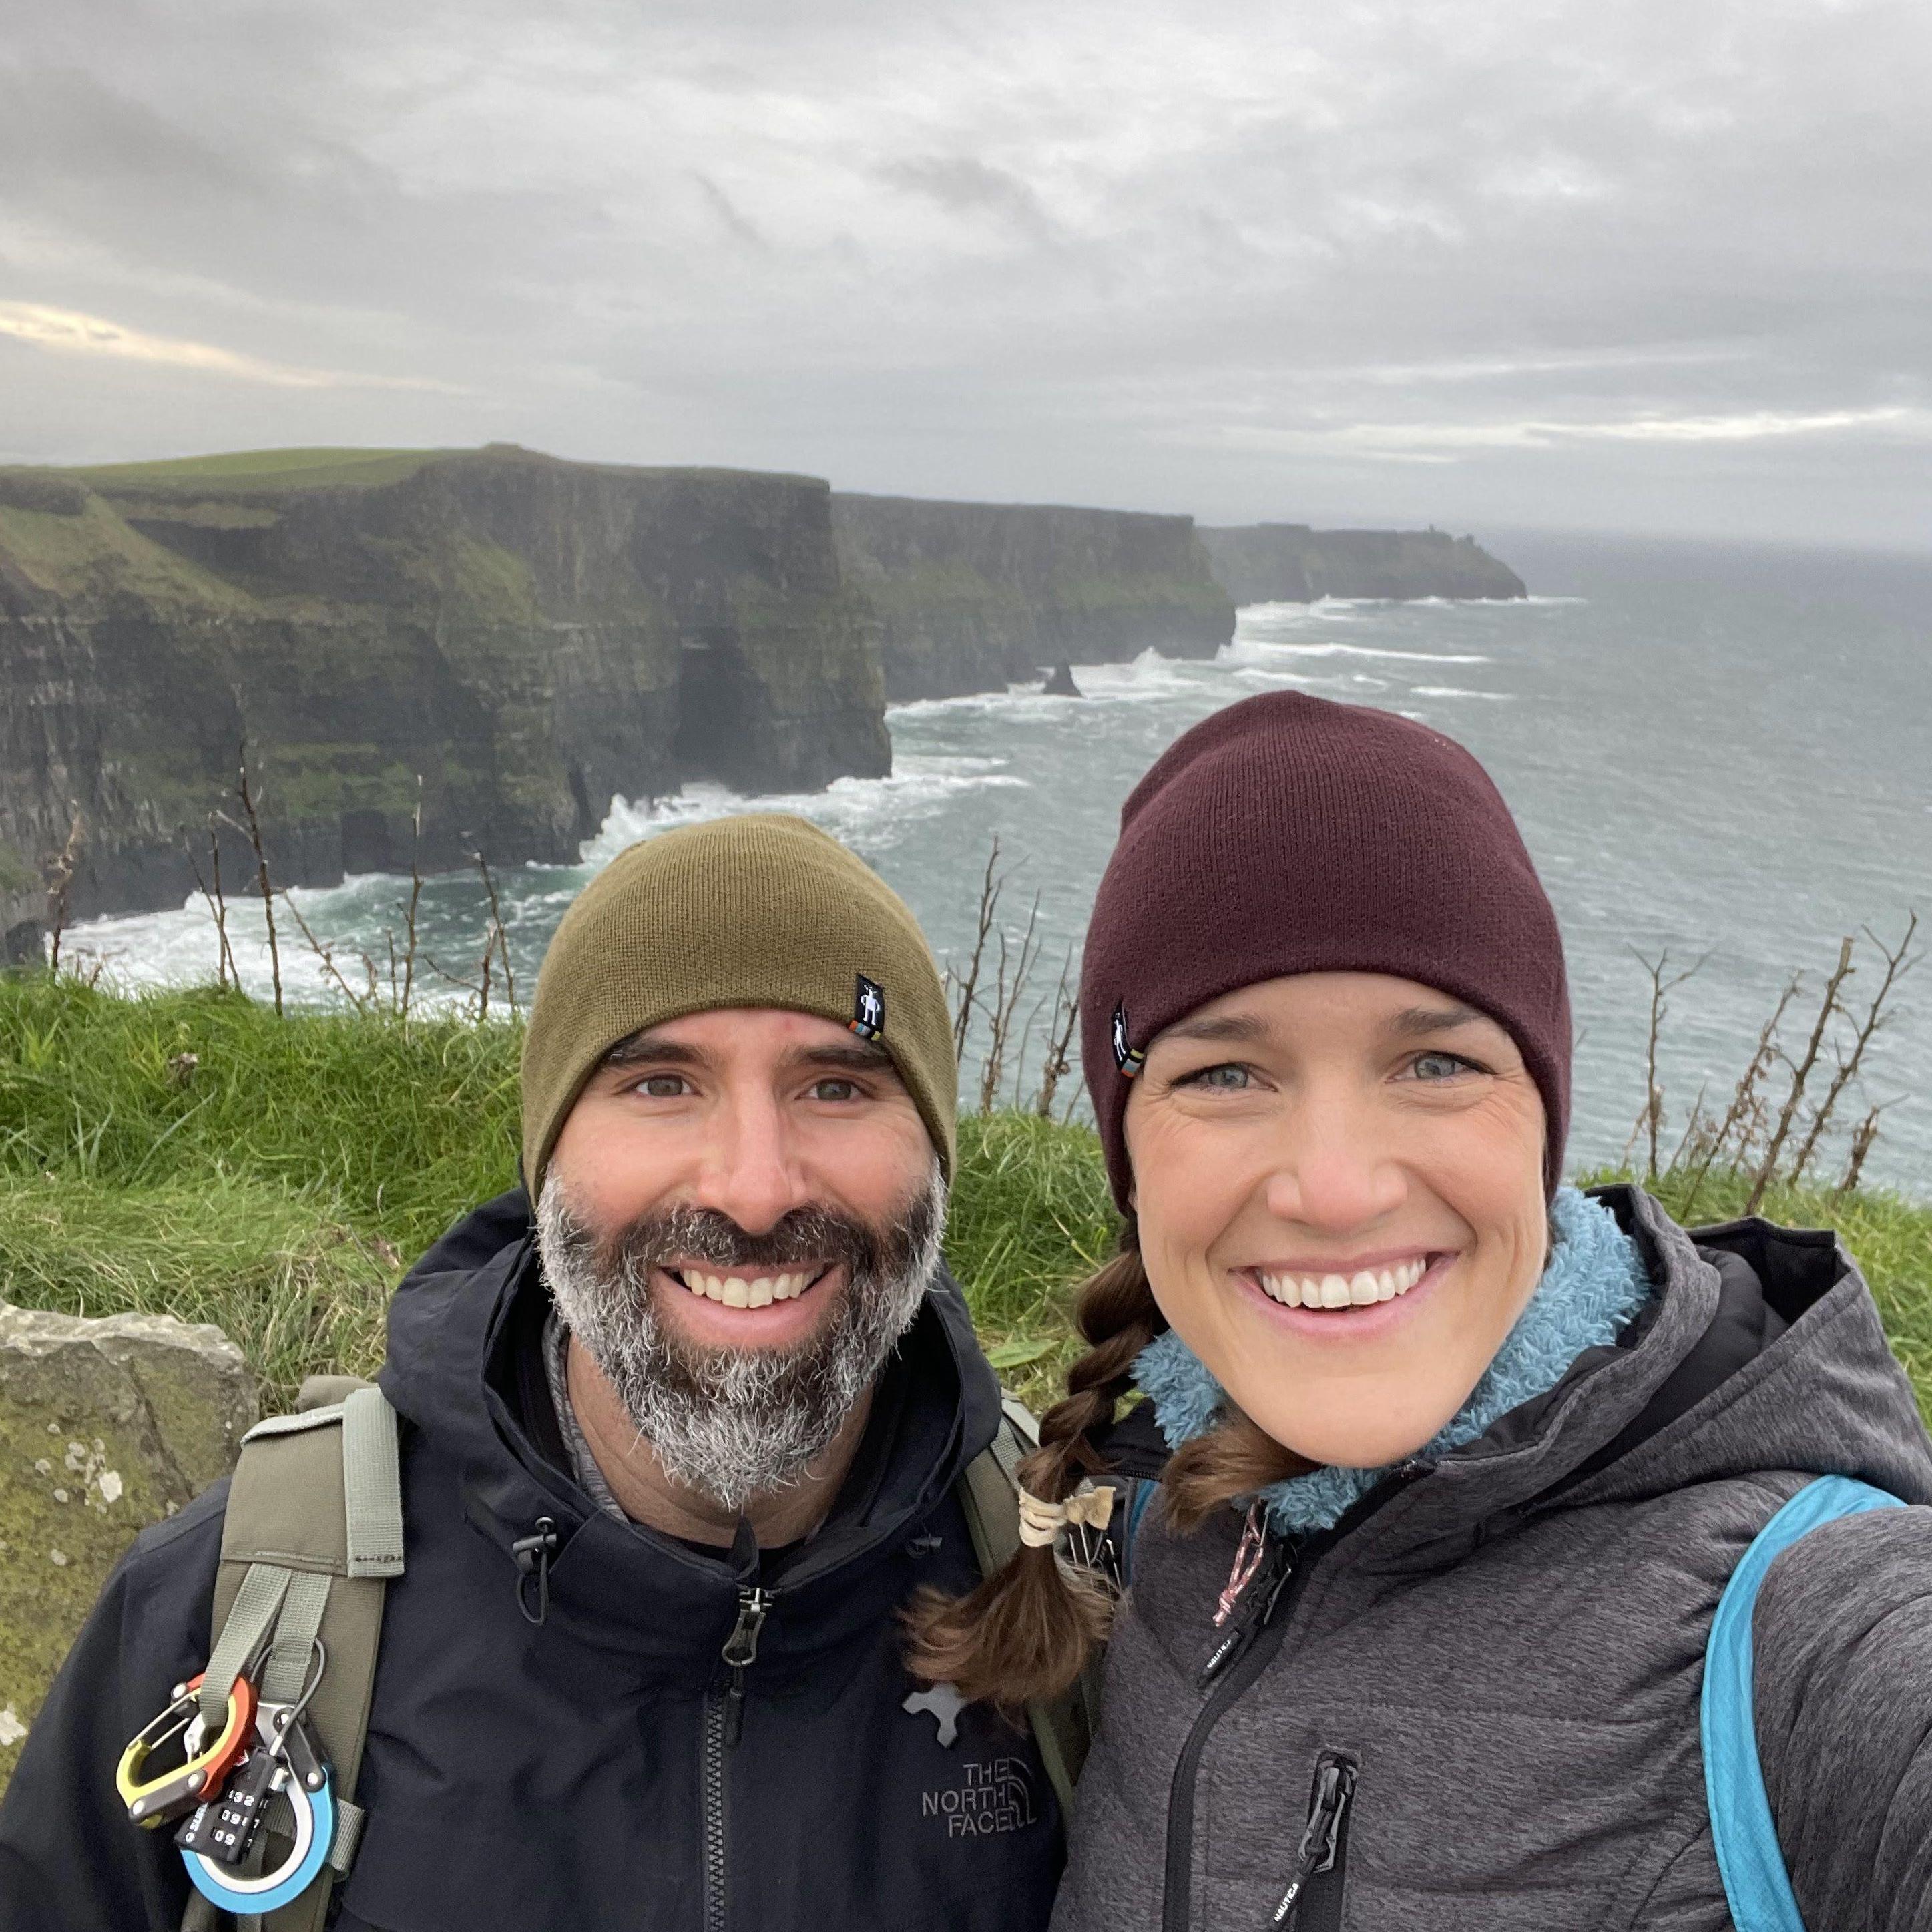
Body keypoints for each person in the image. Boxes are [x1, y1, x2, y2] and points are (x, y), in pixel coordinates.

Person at [907, 692, 1932, 1931]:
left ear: (1542, 1117)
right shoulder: (1162, 1520)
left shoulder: (1805, 1622)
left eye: (1435, 1063)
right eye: (1224, 1071)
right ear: (1130, 1157)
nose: (1335, 1189)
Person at [1, 815, 1067, 1932]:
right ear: (547, 1156)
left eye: (838, 1088)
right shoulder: (225, 1616)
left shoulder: (1082, 1608)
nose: (755, 1190)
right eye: (660, 1083)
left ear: (936, 1157)